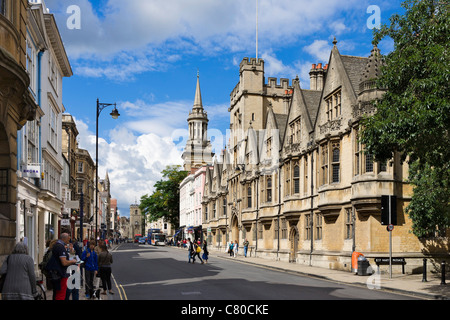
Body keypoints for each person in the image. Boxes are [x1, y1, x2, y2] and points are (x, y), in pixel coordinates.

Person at [47, 233, 77, 300]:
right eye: (68, 239)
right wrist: (73, 261)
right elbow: (64, 262)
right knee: (61, 294)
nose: (69, 241)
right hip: (61, 274)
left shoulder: (58, 246)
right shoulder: (61, 247)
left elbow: (70, 257)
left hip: (58, 273)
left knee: (58, 293)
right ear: (64, 239)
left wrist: (71, 251)